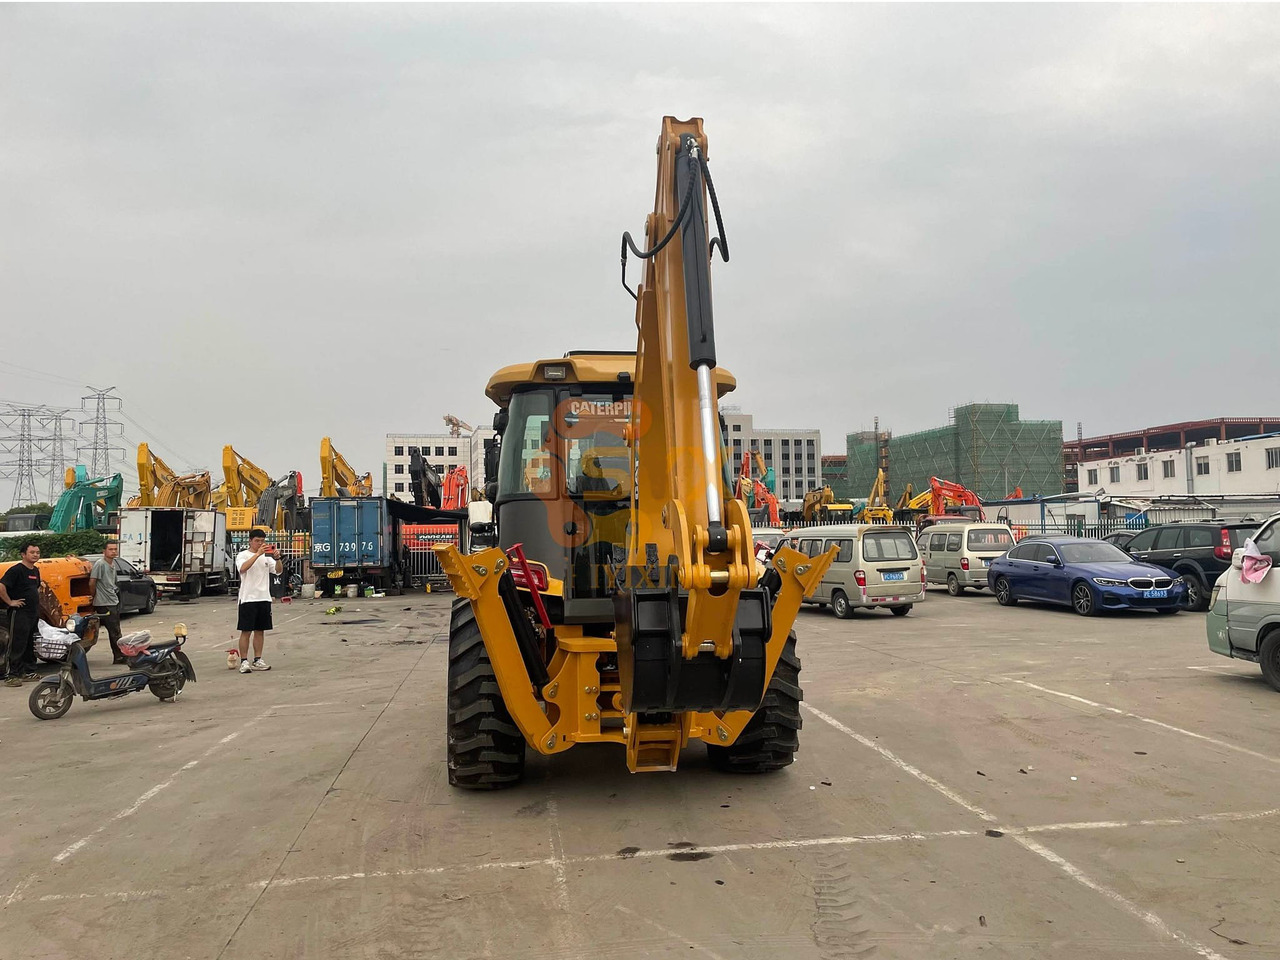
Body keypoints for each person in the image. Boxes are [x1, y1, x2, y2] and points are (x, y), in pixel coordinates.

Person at [235, 528, 281, 674]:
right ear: (250, 541)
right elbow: (243, 569)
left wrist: (277, 558)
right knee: (246, 631)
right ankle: (244, 661)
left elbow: (278, 571)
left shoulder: (267, 557)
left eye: (262, 541)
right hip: (248, 598)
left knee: (260, 631)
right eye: (257, 541)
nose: (260, 543)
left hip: (264, 597)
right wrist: (257, 554)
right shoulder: (243, 555)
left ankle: (258, 659)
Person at [1, 541, 43, 687]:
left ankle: (28, 671)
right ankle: (12, 675)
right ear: (23, 554)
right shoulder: (16, 570)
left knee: (30, 642)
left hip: (32, 613)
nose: (35, 555)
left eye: (37, 552)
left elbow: (36, 588)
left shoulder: (35, 570)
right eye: (32, 552)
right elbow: (1, 586)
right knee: (17, 643)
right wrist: (10, 602)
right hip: (19, 613)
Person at [88, 540, 126, 664]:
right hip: (104, 603)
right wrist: (93, 596)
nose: (113, 551)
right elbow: (92, 582)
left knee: (116, 630)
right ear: (104, 551)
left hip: (113, 600)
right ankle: (119, 656)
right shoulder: (100, 564)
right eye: (110, 549)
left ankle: (119, 655)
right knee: (114, 631)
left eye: (115, 549)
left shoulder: (113, 564)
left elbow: (113, 583)